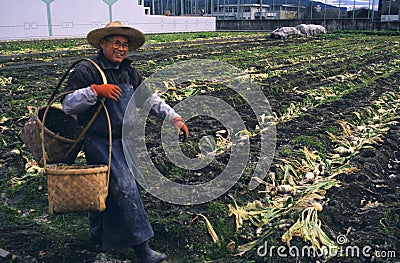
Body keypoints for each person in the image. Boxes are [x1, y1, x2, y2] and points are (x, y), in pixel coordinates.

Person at [61, 21, 189, 263]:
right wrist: (96, 91)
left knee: (107, 189)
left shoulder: (128, 70)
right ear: (103, 44)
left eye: (125, 45)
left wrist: (173, 117)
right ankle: (142, 248)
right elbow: (68, 105)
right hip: (100, 141)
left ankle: (97, 235)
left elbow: (148, 98)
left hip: (126, 140)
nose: (121, 49)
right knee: (125, 189)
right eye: (117, 43)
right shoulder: (87, 70)